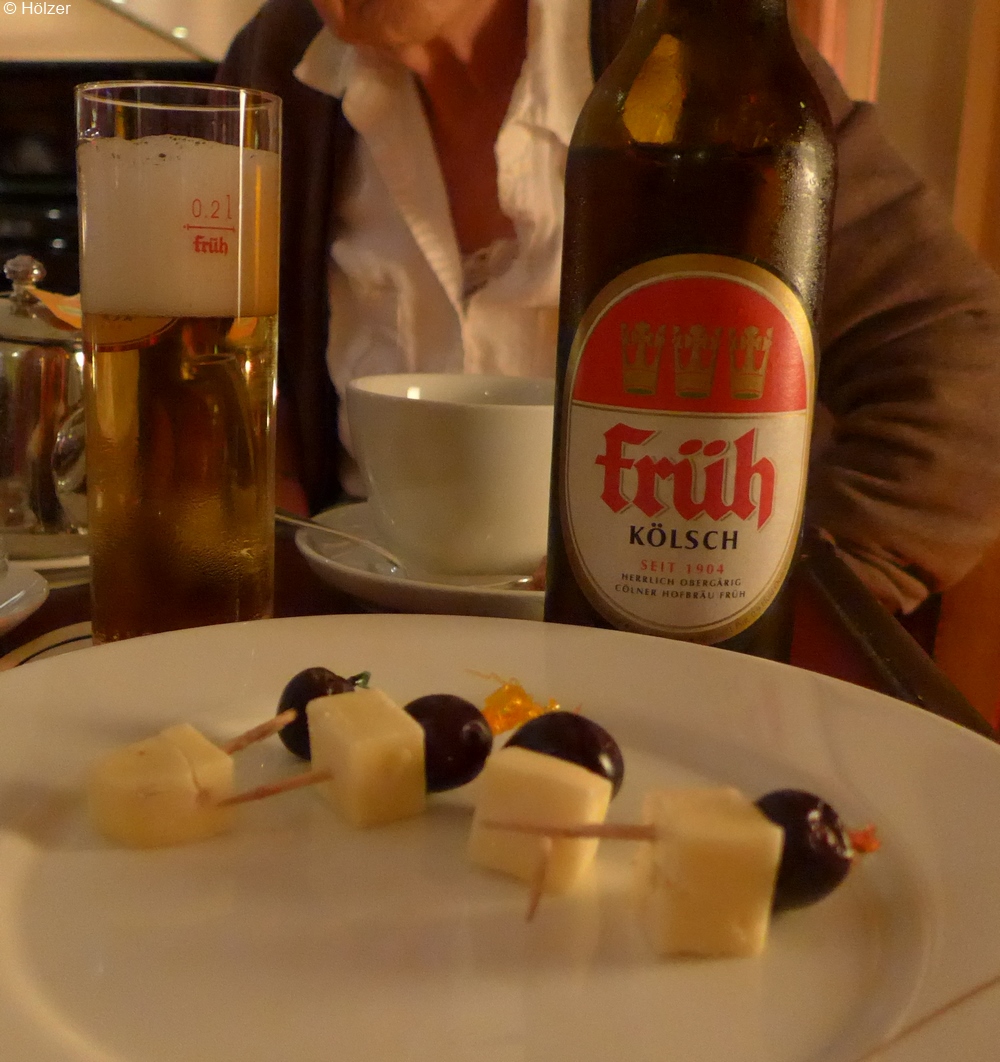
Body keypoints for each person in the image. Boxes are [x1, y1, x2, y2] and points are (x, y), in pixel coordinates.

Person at [218, 0, 1000, 617]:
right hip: (358, 649)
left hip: (644, 663)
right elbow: (231, 365)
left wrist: (777, 597)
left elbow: (970, 370)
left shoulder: (696, 48)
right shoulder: (276, 60)